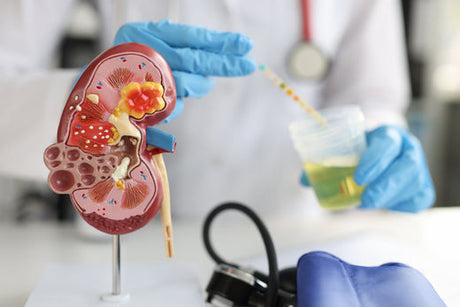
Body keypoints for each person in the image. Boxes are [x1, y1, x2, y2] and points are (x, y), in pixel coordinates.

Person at [0, 0, 434, 219]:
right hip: (130, 235)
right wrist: (94, 102)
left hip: (294, 234)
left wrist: (379, 141)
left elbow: (369, 97)